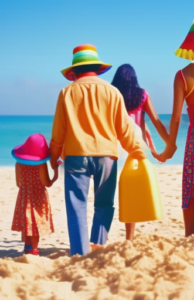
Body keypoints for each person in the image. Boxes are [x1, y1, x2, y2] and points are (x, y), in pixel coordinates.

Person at [50, 44, 146, 256]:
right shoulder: (112, 92)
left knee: (77, 206)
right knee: (104, 204)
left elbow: (58, 132)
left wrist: (54, 159)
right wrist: (139, 153)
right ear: (98, 68)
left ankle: (79, 252)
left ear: (74, 72)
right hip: (107, 156)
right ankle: (98, 243)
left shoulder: (66, 92)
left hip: (76, 155)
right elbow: (124, 130)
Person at [111, 64, 170, 241]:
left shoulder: (113, 94)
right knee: (135, 187)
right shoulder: (142, 95)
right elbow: (155, 122)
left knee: (123, 190)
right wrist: (167, 145)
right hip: (137, 146)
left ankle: (123, 237)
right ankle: (130, 235)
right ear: (135, 78)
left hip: (116, 146)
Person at [154, 20, 194, 237]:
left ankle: (189, 235)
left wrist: (170, 146)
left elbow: (176, 117)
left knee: (190, 185)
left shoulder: (182, 76)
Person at [11, 133, 58, 255]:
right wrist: (55, 176)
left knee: (27, 222)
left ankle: (27, 247)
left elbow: (18, 183)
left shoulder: (19, 164)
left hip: (24, 195)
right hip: (38, 197)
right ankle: (34, 249)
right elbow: (46, 183)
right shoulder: (41, 165)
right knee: (35, 224)